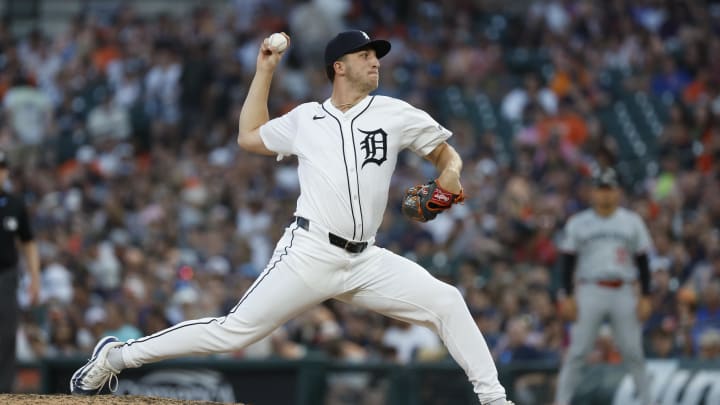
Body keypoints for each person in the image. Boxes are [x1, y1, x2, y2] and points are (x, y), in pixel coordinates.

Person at [70, 30, 514, 405]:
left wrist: (450, 172)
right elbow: (248, 136)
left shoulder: (394, 112)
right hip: (310, 252)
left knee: (448, 302)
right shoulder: (306, 119)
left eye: (376, 56)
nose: (375, 62)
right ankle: (117, 357)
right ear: (338, 67)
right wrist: (265, 70)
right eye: (364, 56)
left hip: (366, 261)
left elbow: (442, 150)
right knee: (233, 334)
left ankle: (494, 399)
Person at [555, 167, 653, 405]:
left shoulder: (631, 221)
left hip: (623, 290)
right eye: (601, 189)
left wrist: (646, 296)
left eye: (609, 189)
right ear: (593, 193)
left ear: (617, 192)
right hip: (590, 289)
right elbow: (567, 262)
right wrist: (568, 295)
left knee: (633, 352)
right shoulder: (579, 222)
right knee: (578, 352)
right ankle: (561, 401)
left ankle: (648, 401)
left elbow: (642, 261)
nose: (605, 194)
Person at [0, 149, 41, 392]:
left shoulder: (15, 204)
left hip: (6, 276)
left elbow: (28, 241)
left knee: (5, 336)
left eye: (1, 168)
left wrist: (35, 277)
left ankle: (2, 393)